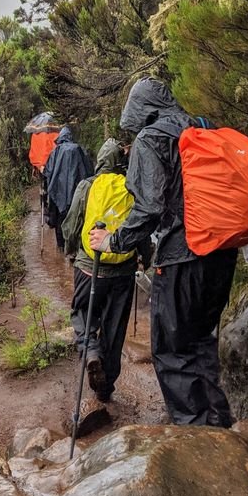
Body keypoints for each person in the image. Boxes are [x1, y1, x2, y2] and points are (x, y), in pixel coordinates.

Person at [89, 78, 237, 428]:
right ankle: (217, 423)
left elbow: (149, 207)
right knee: (201, 340)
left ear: (140, 110)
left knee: (171, 349)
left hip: (182, 255)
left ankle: (194, 435)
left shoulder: (150, 139)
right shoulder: (203, 127)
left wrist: (114, 242)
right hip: (223, 251)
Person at [62, 139, 152, 402]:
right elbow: (140, 228)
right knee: (114, 330)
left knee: (81, 312)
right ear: (121, 163)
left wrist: (70, 249)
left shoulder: (87, 186)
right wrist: (144, 257)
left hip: (89, 267)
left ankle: (90, 352)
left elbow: (72, 224)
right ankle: (105, 389)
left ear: (100, 160)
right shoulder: (131, 189)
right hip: (122, 272)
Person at [43, 126, 92, 249]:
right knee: (77, 218)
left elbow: (48, 172)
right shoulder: (78, 149)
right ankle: (74, 247)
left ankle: (61, 246)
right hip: (76, 192)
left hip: (59, 192)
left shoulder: (56, 151)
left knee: (60, 218)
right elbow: (89, 169)